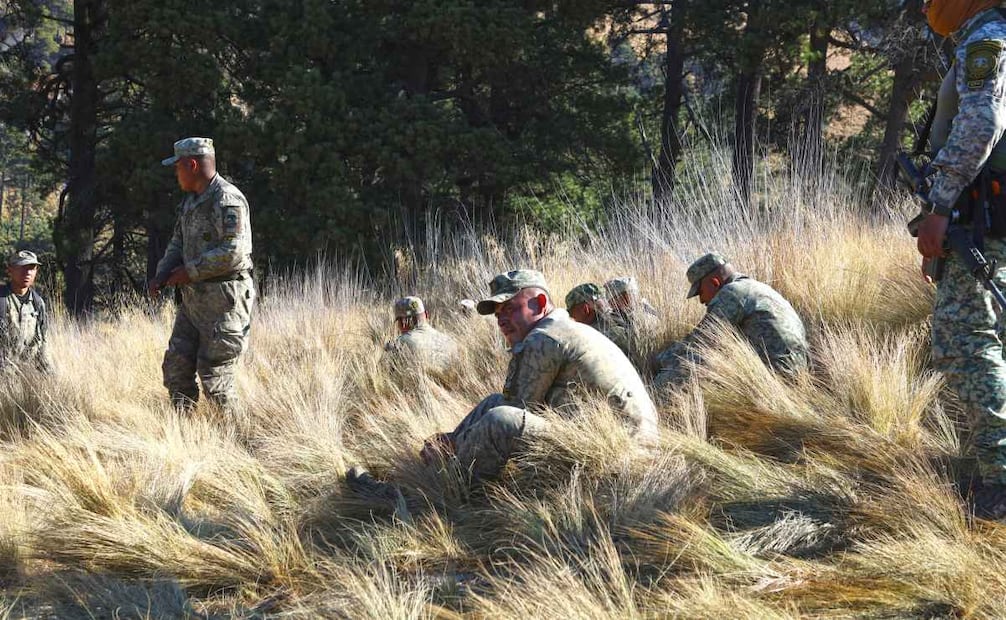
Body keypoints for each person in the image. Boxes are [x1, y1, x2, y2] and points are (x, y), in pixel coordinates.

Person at [349, 269, 658, 490]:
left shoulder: (545, 338)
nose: (501, 317)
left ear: (538, 304)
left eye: (510, 306)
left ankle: (437, 491)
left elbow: (517, 410)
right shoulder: (560, 330)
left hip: (617, 459)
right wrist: (457, 440)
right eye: (496, 311)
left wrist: (456, 444)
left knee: (501, 420)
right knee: (494, 404)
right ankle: (438, 463)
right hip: (612, 444)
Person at [915, 0, 1006, 518]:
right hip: (989, 216)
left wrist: (941, 203)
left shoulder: (987, 36)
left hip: (984, 218)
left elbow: (983, 121)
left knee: (965, 339)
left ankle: (999, 478)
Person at [149, 137, 255, 417]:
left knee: (216, 377)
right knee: (176, 367)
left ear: (192, 165)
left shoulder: (227, 199)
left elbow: (235, 251)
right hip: (194, 302)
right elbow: (178, 241)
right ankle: (184, 432)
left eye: (178, 168)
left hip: (225, 302)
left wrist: (189, 271)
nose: (176, 174)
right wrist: (162, 272)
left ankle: (237, 439)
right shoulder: (191, 202)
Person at [653, 253, 808, 389]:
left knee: (692, 361)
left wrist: (662, 360)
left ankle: (655, 402)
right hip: (800, 370)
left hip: (778, 374)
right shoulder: (755, 287)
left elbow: (702, 341)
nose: (701, 300)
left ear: (714, 282)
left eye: (700, 292)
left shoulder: (732, 293)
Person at [0, 250, 52, 374]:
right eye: (22, 267)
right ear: (10, 270)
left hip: (25, 377)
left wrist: (48, 374)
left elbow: (42, 344)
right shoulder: (1, 300)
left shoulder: (38, 303)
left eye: (32, 268)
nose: (27, 272)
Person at [384, 296, 459, 375]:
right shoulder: (449, 340)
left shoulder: (401, 342)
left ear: (403, 322)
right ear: (426, 315)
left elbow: (385, 374)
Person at [565, 282, 631, 354]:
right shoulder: (622, 318)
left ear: (585, 309)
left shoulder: (593, 335)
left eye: (571, 313)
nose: (571, 318)